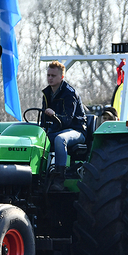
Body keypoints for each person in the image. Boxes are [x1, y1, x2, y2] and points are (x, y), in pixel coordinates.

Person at [41, 61, 87, 191]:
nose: (50, 78)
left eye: (53, 76)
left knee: (60, 139)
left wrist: (54, 114)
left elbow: (67, 120)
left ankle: (60, 178)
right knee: (40, 139)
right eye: (48, 75)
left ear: (61, 77)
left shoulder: (69, 93)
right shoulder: (46, 93)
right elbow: (44, 119)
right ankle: (40, 176)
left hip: (76, 130)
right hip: (57, 130)